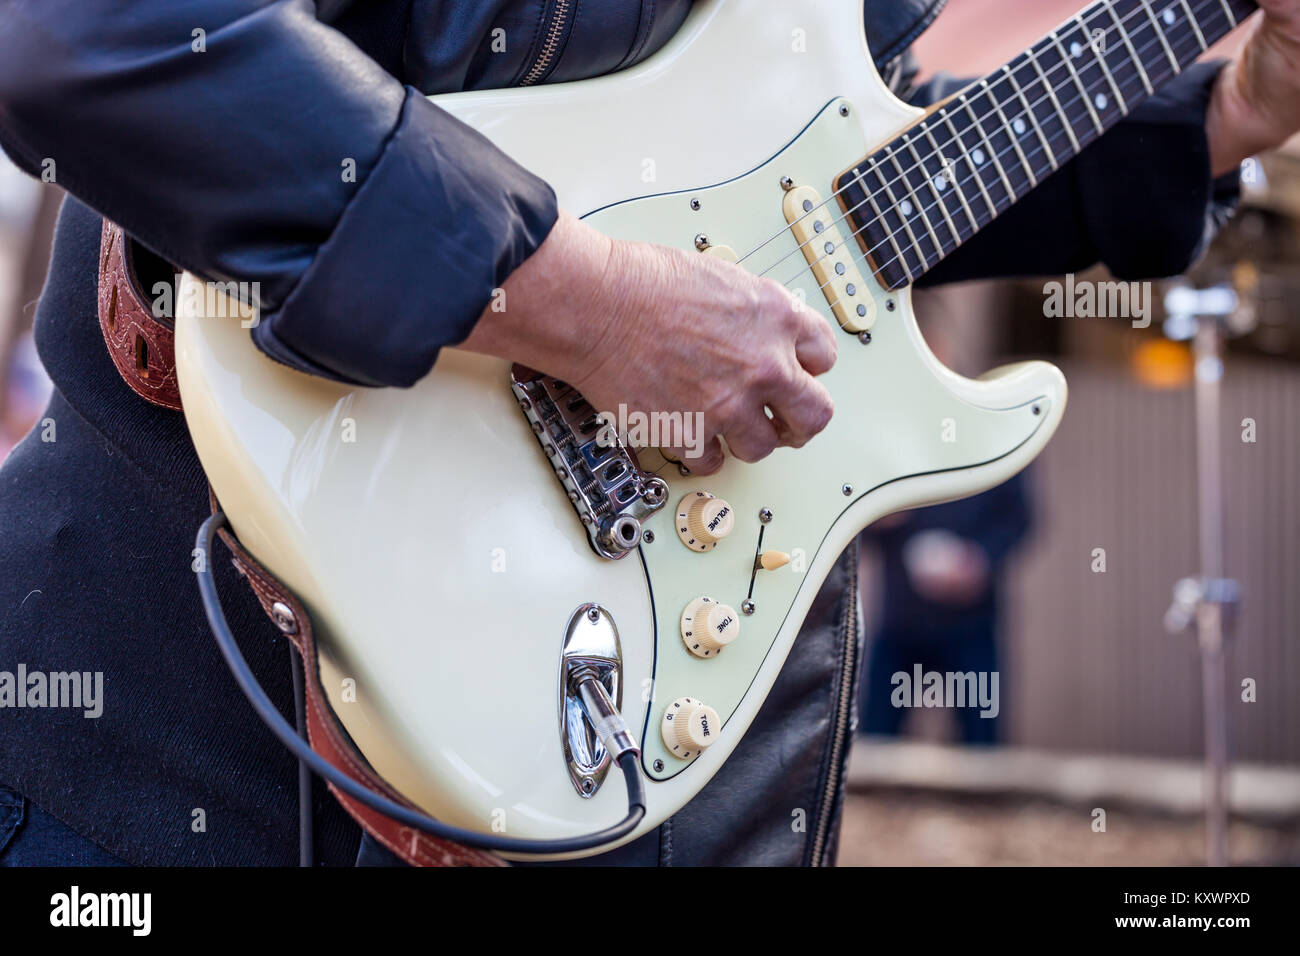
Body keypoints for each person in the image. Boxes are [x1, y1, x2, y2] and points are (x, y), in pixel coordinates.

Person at [1, 0, 1298, 867]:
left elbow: (827, 184)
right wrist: (588, 308)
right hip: (195, 733)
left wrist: (1221, 111)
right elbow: (88, 36)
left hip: (714, 743)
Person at [861, 472, 1032, 745]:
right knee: (877, 742)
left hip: (972, 626)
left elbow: (1020, 517)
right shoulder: (901, 437)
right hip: (901, 623)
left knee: (982, 747)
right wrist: (876, 517)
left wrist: (981, 559)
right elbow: (856, 520)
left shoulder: (996, 439)